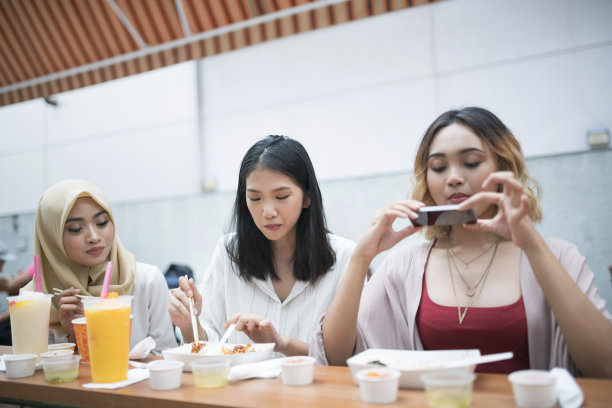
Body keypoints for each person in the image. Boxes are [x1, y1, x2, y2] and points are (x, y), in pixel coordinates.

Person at [314, 107, 612, 377]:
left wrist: (532, 244)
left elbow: (604, 366)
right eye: (439, 167)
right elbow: (335, 358)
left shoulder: (558, 256)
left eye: (471, 162)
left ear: (503, 169)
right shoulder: (404, 265)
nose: (454, 178)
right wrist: (361, 258)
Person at [168, 135, 355, 356]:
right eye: (255, 199)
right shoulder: (229, 252)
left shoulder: (345, 257)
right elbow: (208, 341)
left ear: (307, 197)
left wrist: (282, 343)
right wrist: (190, 324)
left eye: (282, 196)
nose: (268, 212)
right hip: (240, 390)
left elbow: (348, 357)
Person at [23, 180, 177, 352]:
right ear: (52, 237)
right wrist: (74, 336)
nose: (94, 237)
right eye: (75, 229)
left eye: (102, 222)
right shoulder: (35, 298)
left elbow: (165, 356)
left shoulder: (147, 281)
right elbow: (39, 370)